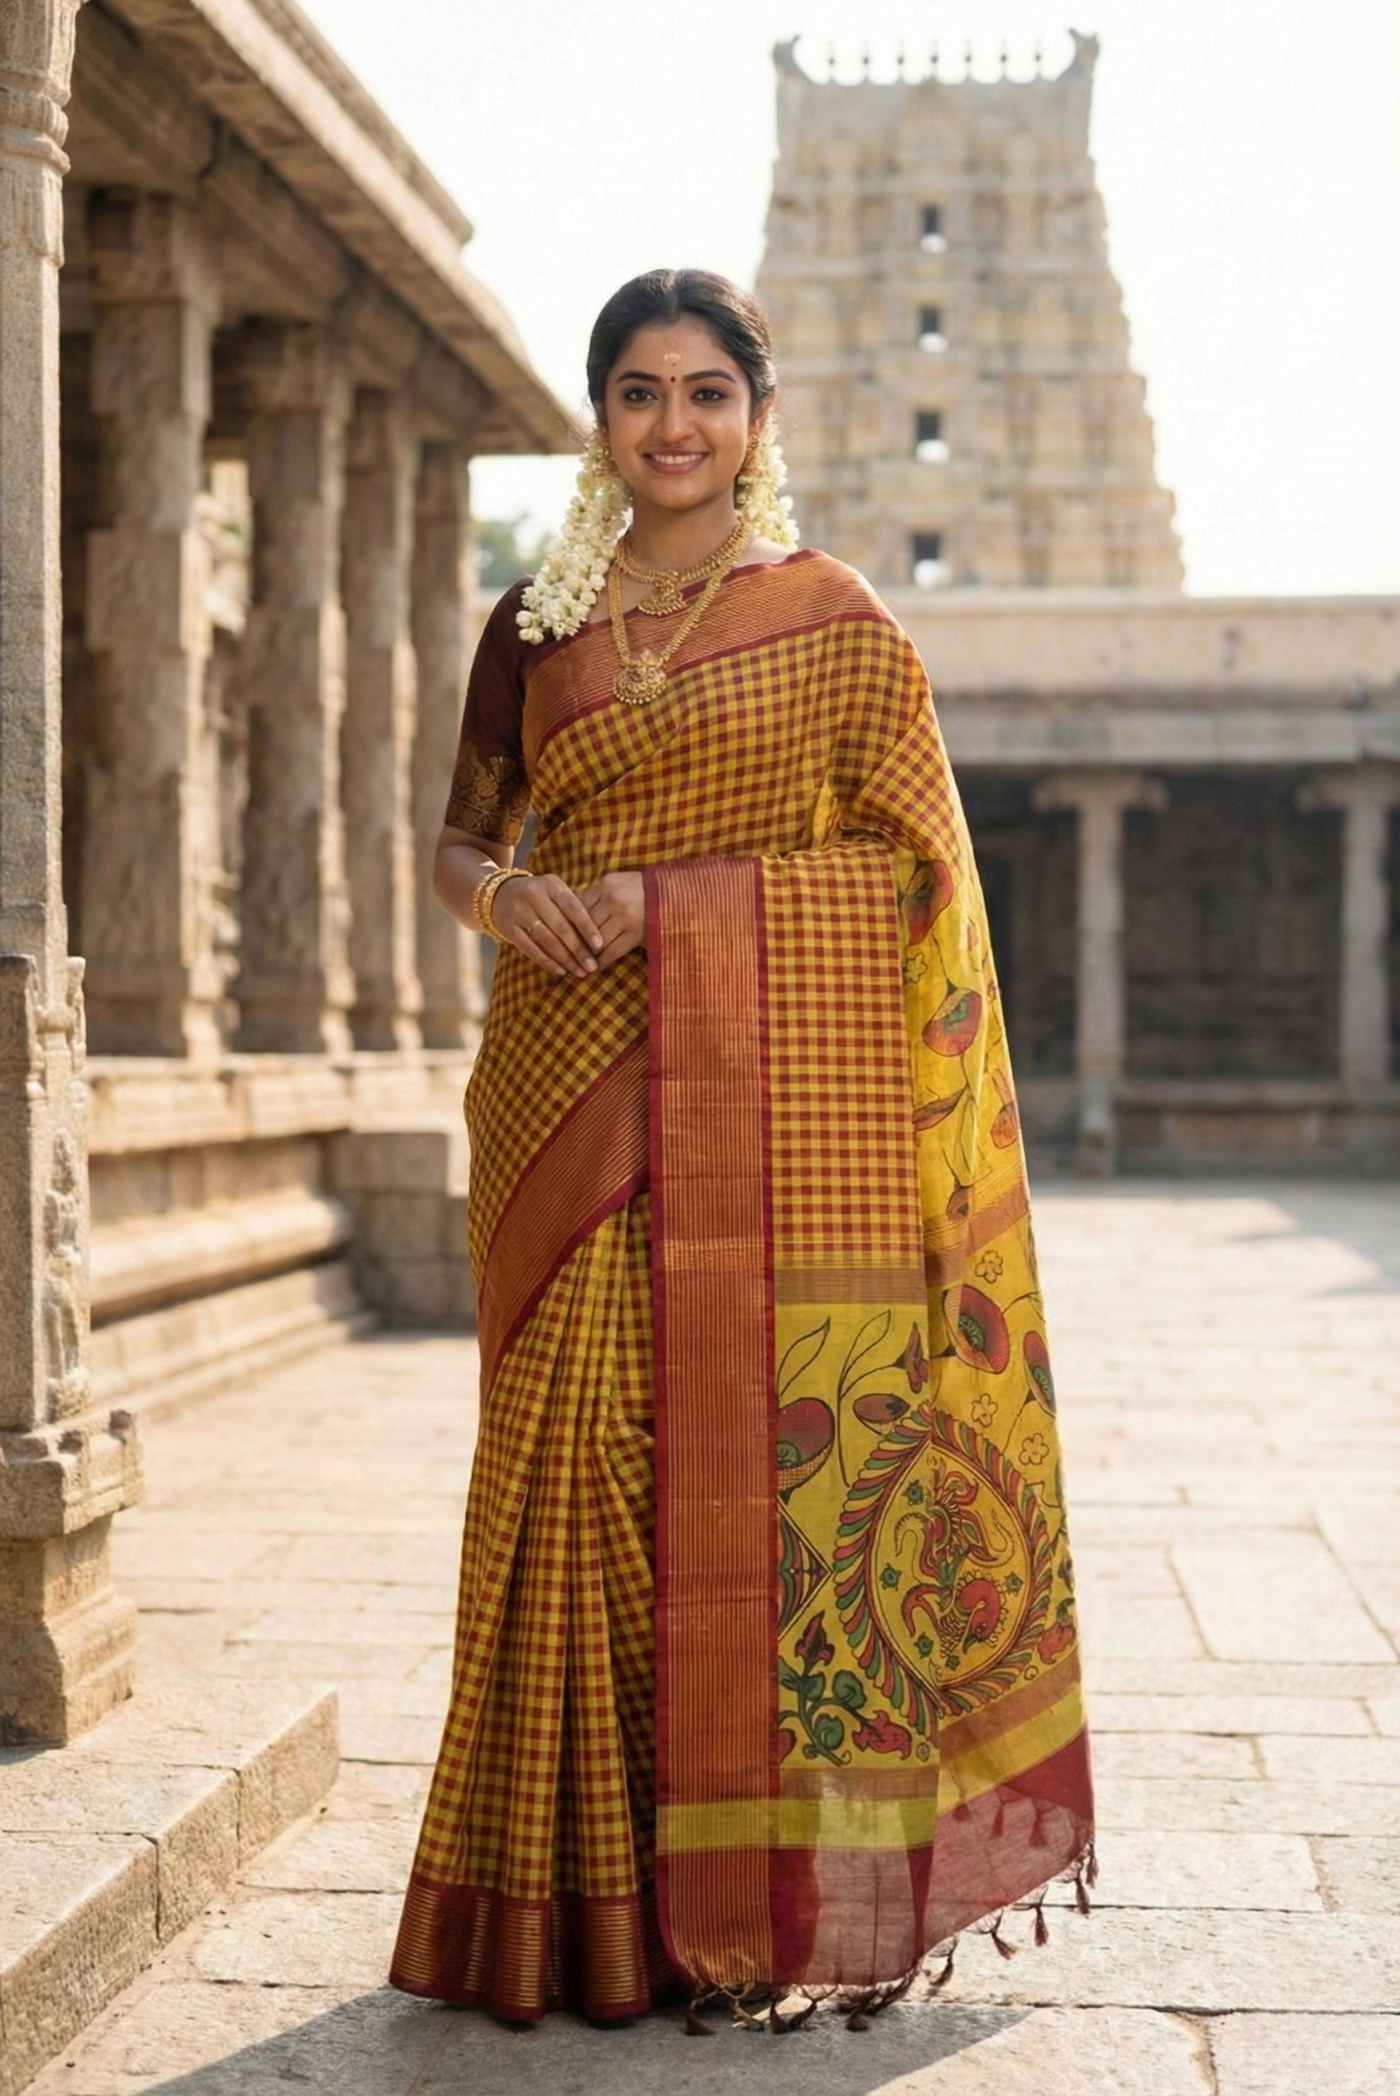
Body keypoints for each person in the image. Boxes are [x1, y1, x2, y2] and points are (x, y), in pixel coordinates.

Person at [389, 269, 1094, 2029]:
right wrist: (515, 901)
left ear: (758, 417)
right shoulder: (532, 623)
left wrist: (672, 906)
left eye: (709, 393)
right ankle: (555, 1912)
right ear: (602, 414)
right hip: (558, 1088)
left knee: (722, 1484)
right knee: (557, 1474)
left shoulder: (836, 623)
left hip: (769, 1123)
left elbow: (918, 879)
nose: (675, 426)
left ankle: (725, 1910)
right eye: (641, 393)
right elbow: (459, 841)